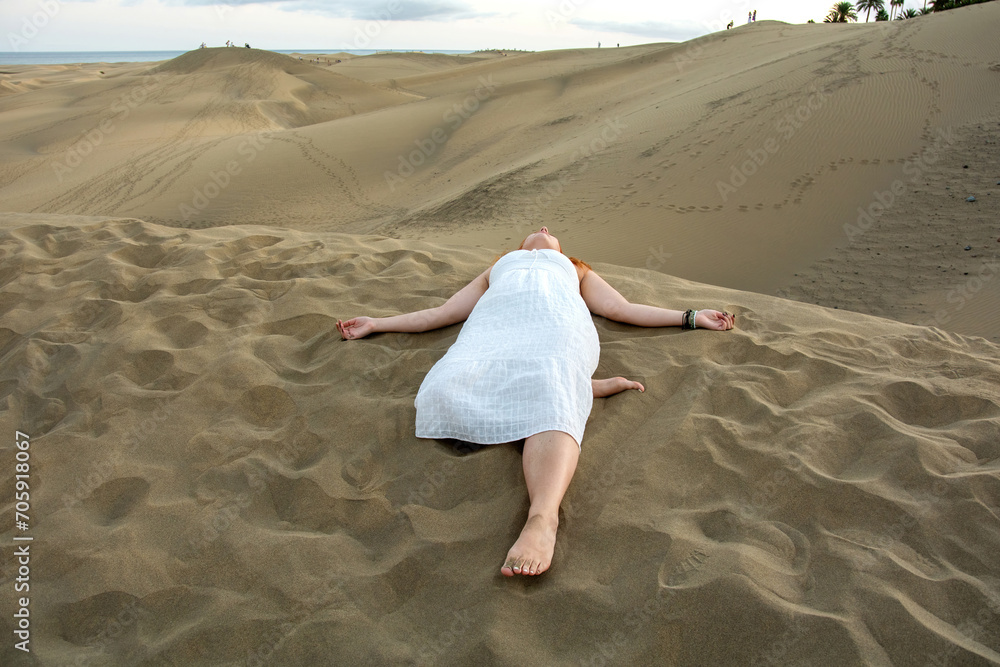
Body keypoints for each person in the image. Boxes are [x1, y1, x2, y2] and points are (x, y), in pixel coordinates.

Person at [337, 227, 735, 577]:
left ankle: (543, 518)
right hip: (496, 332)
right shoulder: (497, 268)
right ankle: (580, 387)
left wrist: (692, 316)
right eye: (536, 228)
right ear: (519, 246)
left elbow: (620, 309)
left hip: (556, 328)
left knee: (552, 394)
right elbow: (441, 313)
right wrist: (377, 323)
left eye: (550, 230)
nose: (544, 228)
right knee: (440, 390)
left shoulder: (575, 269)